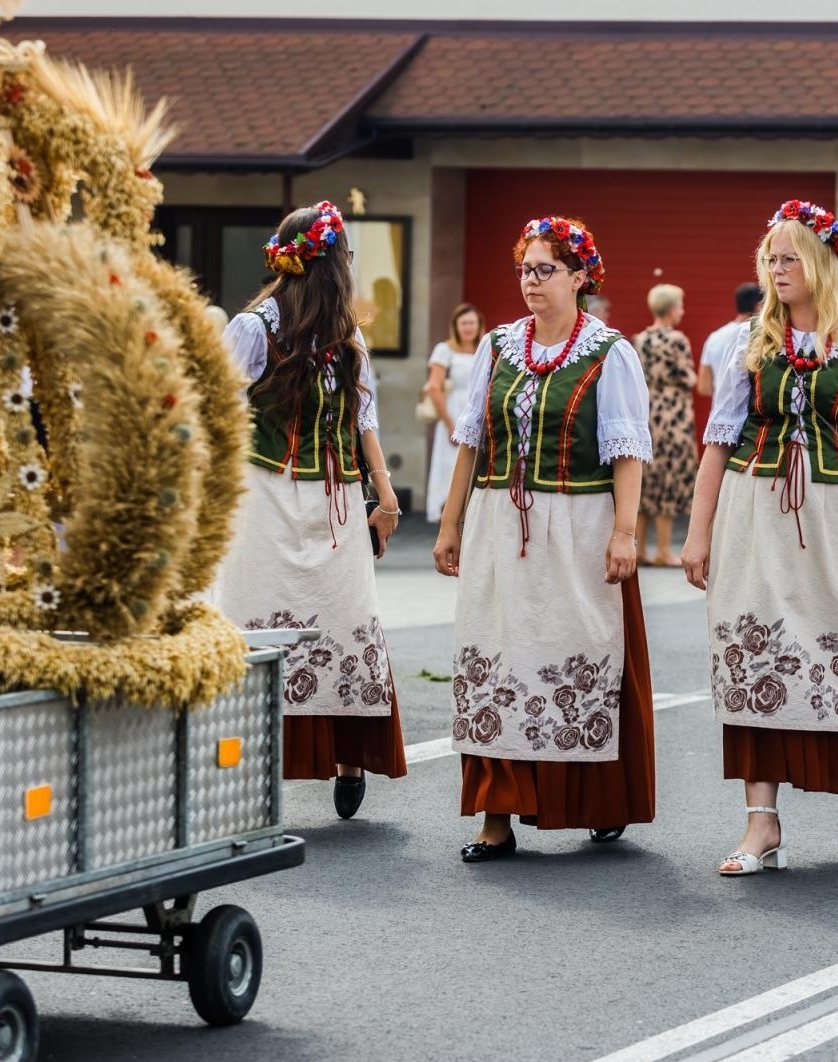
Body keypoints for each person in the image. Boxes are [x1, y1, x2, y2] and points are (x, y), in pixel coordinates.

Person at [682, 199, 838, 876]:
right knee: (751, 652)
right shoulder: (747, 341)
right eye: (770, 256)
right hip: (751, 513)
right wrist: (697, 532)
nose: (777, 267)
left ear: (823, 263)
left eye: (790, 256)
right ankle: (761, 820)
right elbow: (718, 441)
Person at [433, 216, 656, 862]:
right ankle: (496, 816)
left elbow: (628, 452)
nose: (531, 281)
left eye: (545, 269)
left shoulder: (610, 352)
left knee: (575, 654)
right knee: (498, 656)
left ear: (580, 277)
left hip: (579, 527)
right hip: (499, 524)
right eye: (525, 269)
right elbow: (471, 442)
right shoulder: (498, 348)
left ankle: (592, 799)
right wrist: (450, 525)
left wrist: (624, 531)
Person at [214, 201, 407, 819]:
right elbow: (214, 406)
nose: (350, 265)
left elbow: (363, 419)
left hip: (336, 499)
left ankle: (347, 756)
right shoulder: (254, 327)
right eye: (346, 254)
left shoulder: (347, 335)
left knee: (345, 620)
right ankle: (239, 760)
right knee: (254, 621)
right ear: (327, 263)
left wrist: (385, 492)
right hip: (264, 498)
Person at [633, 284, 697, 566]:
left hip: (647, 414)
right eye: (681, 305)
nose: (683, 311)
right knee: (668, 480)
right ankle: (662, 550)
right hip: (673, 416)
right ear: (672, 309)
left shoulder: (640, 340)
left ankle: (638, 549)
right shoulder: (677, 340)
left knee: (646, 480)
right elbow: (689, 378)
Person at [424, 302, 485, 523]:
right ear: (456, 326)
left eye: (472, 323)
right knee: (449, 468)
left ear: (479, 326)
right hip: (454, 414)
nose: (468, 327)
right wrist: (449, 423)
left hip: (479, 412)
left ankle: (470, 516)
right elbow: (433, 387)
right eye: (463, 323)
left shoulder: (485, 348)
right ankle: (447, 518)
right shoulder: (445, 349)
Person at [698, 283, 764, 399]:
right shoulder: (759, 337)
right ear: (758, 306)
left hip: (719, 413)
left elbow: (704, 387)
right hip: (750, 413)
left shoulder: (714, 337)